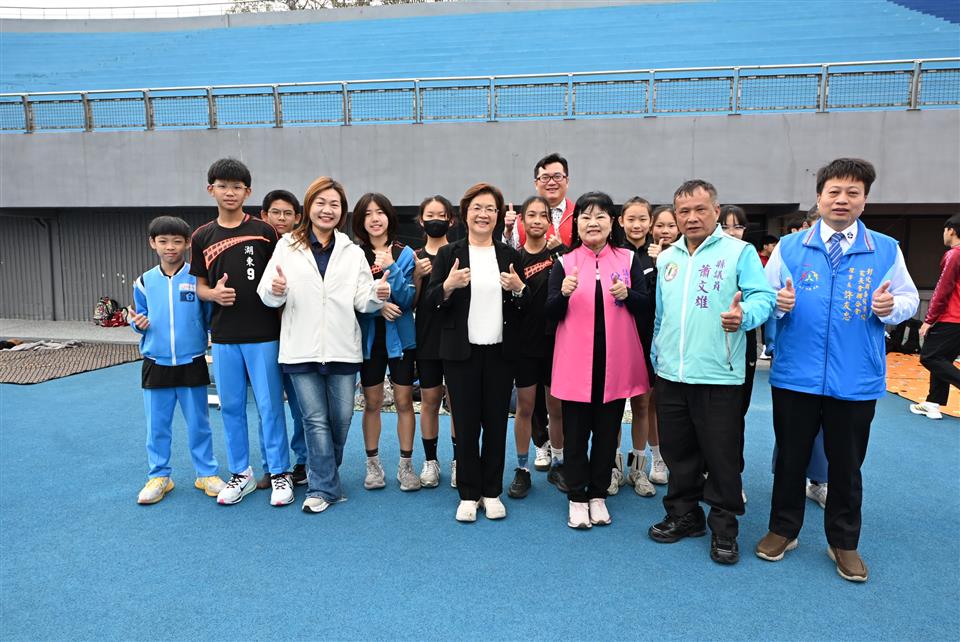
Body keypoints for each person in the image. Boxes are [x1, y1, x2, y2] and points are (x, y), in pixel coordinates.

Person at [757, 158, 919, 582]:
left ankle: (843, 542)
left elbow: (908, 299)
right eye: (834, 192)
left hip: (855, 376)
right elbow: (764, 296)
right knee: (790, 457)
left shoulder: (885, 249)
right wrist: (778, 303)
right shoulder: (790, 248)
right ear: (819, 197)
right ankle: (783, 529)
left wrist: (890, 308)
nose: (842, 200)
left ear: (865, 200)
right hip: (796, 373)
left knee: (846, 465)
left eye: (852, 193)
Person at [648, 179, 775, 565]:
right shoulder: (667, 258)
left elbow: (763, 297)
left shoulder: (739, 252)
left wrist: (744, 315)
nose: (691, 217)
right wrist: (656, 354)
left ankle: (724, 527)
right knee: (677, 451)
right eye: (683, 211)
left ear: (716, 212)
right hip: (671, 374)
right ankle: (684, 515)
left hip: (719, 375)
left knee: (722, 456)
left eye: (700, 209)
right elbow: (661, 315)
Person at [258, 176, 391, 513]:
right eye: (321, 203)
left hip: (343, 347)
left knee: (341, 420)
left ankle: (326, 473)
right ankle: (323, 487)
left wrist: (377, 294)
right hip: (300, 348)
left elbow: (362, 300)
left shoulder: (352, 252)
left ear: (342, 211)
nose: (327, 210)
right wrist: (276, 290)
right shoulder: (286, 246)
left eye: (334, 204)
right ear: (309, 207)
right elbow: (267, 293)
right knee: (315, 420)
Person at [546, 192, 651, 528]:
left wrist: (628, 295)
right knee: (576, 435)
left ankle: (598, 494)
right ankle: (577, 497)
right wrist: (563, 293)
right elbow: (549, 313)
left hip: (614, 363)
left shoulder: (627, 259)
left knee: (607, 434)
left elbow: (646, 305)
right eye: (586, 216)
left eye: (600, 216)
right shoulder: (564, 263)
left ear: (612, 222)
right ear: (576, 224)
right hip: (576, 364)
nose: (593, 222)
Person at [192, 158, 293, 507]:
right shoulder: (201, 236)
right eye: (223, 186)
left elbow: (283, 278)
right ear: (211, 190)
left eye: (237, 187)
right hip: (223, 338)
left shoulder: (265, 232)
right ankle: (241, 473)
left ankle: (279, 472)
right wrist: (213, 294)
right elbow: (200, 286)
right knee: (231, 407)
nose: (230, 192)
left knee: (269, 407)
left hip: (264, 335)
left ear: (248, 192)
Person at [425, 182, 528, 522]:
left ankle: (492, 491)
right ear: (465, 214)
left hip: (500, 353)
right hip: (460, 354)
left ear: (498, 216)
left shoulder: (510, 256)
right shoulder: (448, 254)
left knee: (496, 424)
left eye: (490, 209)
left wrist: (518, 290)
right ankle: (469, 494)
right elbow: (431, 302)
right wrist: (448, 286)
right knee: (466, 426)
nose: (483, 214)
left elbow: (524, 306)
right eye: (477, 208)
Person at [131, 216, 223, 504]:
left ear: (187, 244)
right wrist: (137, 324)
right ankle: (159, 476)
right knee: (157, 426)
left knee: (199, 423)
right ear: (153, 243)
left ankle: (206, 473)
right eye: (163, 241)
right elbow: (139, 315)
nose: (170, 247)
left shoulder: (197, 279)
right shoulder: (144, 282)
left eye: (177, 241)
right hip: (155, 362)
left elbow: (208, 317)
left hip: (191, 360)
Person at [352, 193, 420, 492]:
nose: (375, 219)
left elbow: (407, 299)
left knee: (405, 402)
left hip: (401, 340)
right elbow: (350, 299)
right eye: (368, 214)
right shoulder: (354, 255)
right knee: (372, 403)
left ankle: (406, 465)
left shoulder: (404, 253)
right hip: (369, 341)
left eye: (379, 212)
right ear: (360, 220)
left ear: (389, 216)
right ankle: (373, 465)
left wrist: (392, 267)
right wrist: (378, 307)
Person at [508, 196, 558, 499]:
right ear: (522, 221)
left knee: (557, 409)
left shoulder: (561, 256)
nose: (537, 220)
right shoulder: (513, 259)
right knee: (525, 408)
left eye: (543, 215)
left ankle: (560, 463)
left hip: (556, 344)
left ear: (549, 221)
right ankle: (522, 468)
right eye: (531, 215)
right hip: (525, 346)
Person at [259, 189, 308, 487]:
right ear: (264, 215)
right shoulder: (255, 247)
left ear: (297, 217)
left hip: (297, 339)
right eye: (275, 212)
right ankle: (273, 465)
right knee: (268, 406)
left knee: (303, 406)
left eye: (287, 213)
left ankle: (304, 460)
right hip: (262, 339)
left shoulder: (303, 248)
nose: (281, 218)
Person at [411, 195, 457, 487]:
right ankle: (430, 461)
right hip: (427, 337)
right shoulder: (415, 256)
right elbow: (411, 302)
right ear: (421, 220)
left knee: (456, 402)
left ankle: (459, 460)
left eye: (441, 215)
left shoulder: (459, 253)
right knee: (429, 400)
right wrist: (417, 276)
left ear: (451, 220)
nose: (436, 220)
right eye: (430, 215)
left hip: (456, 337)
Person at [615, 196, 658, 498]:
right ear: (621, 221)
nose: (637, 224)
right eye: (631, 218)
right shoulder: (613, 254)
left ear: (650, 222)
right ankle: (614, 467)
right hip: (618, 341)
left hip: (647, 341)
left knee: (642, 405)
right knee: (614, 408)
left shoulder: (661, 256)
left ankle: (638, 469)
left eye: (642, 218)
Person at [720, 204, 755, 504]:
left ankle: (733, 475)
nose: (732, 232)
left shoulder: (747, 256)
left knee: (735, 415)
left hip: (740, 347)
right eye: (725, 226)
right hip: (707, 351)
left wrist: (745, 314)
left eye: (738, 226)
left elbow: (763, 299)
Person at [642, 204, 680, 485]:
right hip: (642, 336)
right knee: (646, 403)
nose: (665, 231)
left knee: (669, 406)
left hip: (673, 341)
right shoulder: (640, 256)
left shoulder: (685, 257)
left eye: (670, 225)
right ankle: (650, 458)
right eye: (660, 225)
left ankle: (668, 458)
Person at [911, 213, 960, 420]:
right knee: (943, 359)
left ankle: (933, 402)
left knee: (930, 356)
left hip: (951, 317)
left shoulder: (954, 255)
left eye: (944, 230)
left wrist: (929, 319)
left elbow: (943, 288)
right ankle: (933, 403)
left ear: (951, 230)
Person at [503, 152, 575, 250]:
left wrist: (560, 250)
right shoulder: (521, 220)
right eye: (545, 178)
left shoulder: (579, 216)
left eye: (557, 176)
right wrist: (508, 232)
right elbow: (509, 254)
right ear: (536, 184)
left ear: (567, 181)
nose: (551, 182)